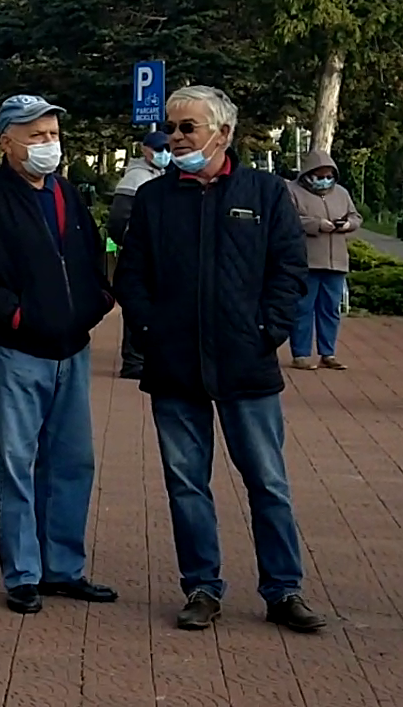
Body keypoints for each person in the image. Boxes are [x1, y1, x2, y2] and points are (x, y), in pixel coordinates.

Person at [113, 85, 326, 634]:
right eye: (171, 128)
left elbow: (289, 269)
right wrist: (149, 328)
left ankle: (283, 590)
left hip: (245, 362)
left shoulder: (265, 192)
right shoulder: (157, 198)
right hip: (175, 364)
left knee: (267, 482)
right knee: (186, 482)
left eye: (188, 128)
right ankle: (202, 586)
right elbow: (132, 275)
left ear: (223, 134)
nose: (175, 138)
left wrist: (267, 332)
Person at [0, 95, 116, 616]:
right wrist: (13, 314)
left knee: (71, 462)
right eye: (36, 136)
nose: (48, 145)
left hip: (72, 348)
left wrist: (98, 299)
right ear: (6, 141)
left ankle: (63, 568)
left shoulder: (66, 192)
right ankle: (22, 573)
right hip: (15, 351)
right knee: (17, 463)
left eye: (52, 134)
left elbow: (91, 252)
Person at [288, 152, 361, 371]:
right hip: (308, 261)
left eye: (328, 175)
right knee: (303, 308)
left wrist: (348, 224)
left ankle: (327, 353)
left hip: (336, 261)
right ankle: (300, 354)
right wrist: (317, 224)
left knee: (330, 309)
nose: (324, 179)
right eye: (319, 175)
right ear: (308, 174)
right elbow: (289, 219)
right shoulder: (293, 191)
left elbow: (355, 216)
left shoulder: (341, 193)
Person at [108, 132, 172, 380]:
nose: (165, 153)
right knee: (137, 304)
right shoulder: (136, 178)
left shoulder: (158, 175)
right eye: (159, 149)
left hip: (155, 253)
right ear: (145, 150)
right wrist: (135, 245)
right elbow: (118, 220)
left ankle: (142, 358)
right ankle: (134, 361)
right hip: (142, 255)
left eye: (167, 147)